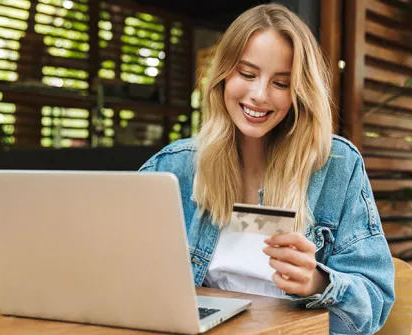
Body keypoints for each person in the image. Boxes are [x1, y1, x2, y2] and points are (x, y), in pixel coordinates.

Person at [139, 3, 395, 334]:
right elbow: (122, 273)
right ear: (223, 75)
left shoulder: (336, 166)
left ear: (300, 91)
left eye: (281, 83)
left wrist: (318, 282)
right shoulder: (173, 166)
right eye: (247, 74)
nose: (259, 95)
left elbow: (374, 302)